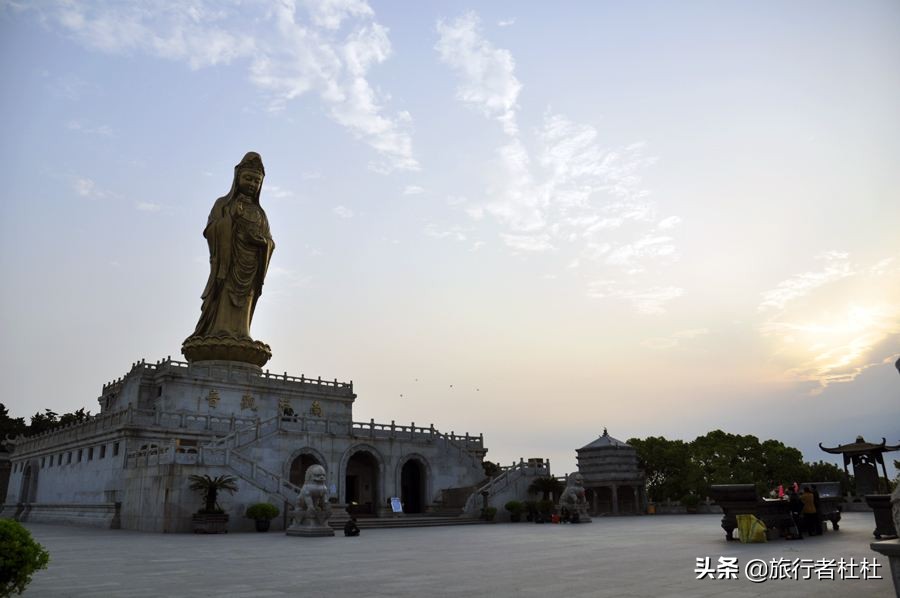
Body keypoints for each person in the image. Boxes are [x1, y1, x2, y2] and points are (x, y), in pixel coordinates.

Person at [189, 152, 275, 341]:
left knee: (246, 299)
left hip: (251, 267)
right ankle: (220, 331)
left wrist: (261, 242)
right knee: (225, 294)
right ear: (237, 178)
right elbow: (211, 230)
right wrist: (231, 221)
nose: (252, 184)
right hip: (228, 265)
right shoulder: (224, 204)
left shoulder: (260, 213)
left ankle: (242, 333)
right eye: (248, 178)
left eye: (257, 181)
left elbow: (269, 241)